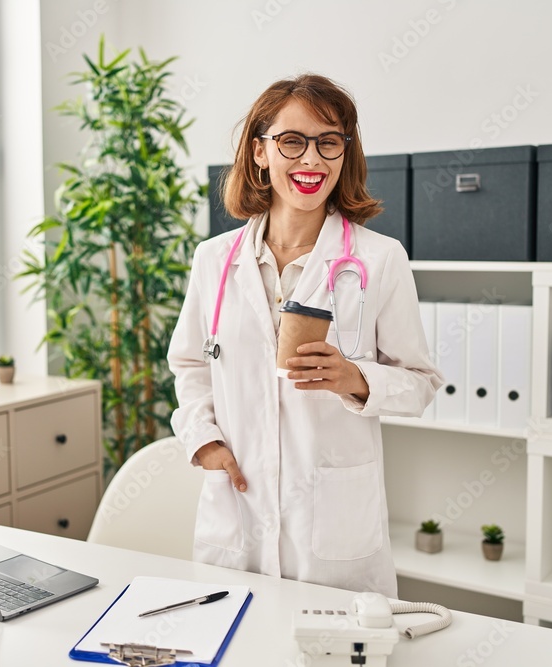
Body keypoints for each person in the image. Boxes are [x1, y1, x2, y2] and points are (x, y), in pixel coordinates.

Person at [167, 74, 442, 596]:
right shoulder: (214, 260)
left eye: (329, 141)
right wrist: (201, 438)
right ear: (259, 153)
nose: (312, 160)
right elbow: (190, 365)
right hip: (237, 514)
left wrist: (354, 378)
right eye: (291, 141)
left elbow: (421, 383)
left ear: (346, 153)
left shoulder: (380, 259)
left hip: (333, 535)